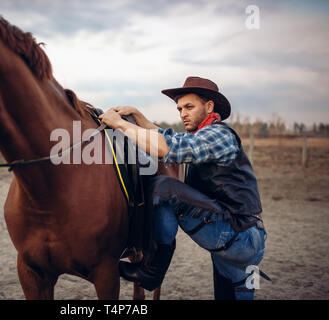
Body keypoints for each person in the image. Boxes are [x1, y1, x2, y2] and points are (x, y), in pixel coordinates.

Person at [99, 76, 267, 300]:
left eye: (189, 107)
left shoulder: (219, 135)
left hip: (238, 236)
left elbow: (167, 147)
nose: (182, 114)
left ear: (209, 107)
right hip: (238, 241)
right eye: (179, 109)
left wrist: (119, 123)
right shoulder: (201, 135)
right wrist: (139, 117)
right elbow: (170, 138)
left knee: (164, 188)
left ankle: (151, 271)